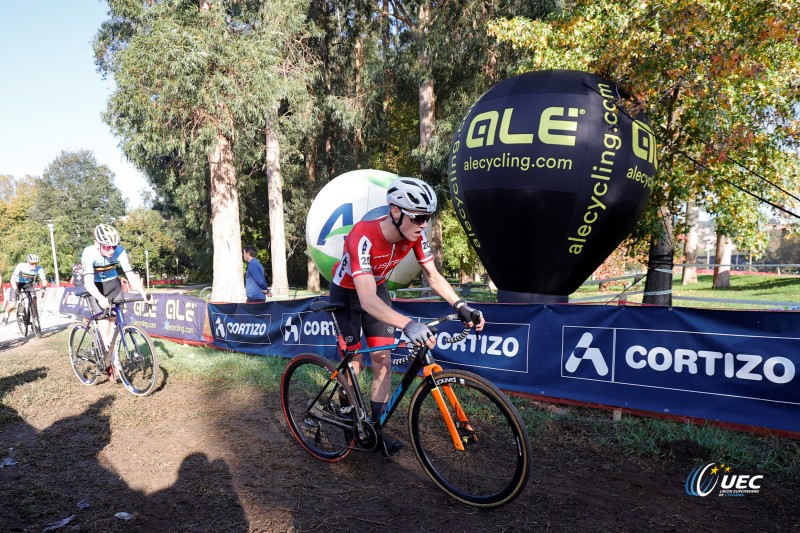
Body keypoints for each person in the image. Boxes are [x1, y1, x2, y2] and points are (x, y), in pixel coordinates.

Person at [330, 177, 485, 455]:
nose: (424, 224)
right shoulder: (362, 236)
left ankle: (373, 430)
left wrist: (461, 306)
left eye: (428, 217)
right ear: (396, 212)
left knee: (383, 361)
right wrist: (409, 324)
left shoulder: (416, 235)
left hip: (375, 288)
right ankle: (347, 417)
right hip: (347, 295)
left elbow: (433, 276)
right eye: (419, 217)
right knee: (352, 364)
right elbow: (365, 300)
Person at [81, 224, 151, 362]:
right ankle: (111, 362)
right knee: (104, 324)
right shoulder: (89, 253)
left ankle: (110, 356)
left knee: (114, 326)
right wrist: (100, 298)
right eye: (107, 246)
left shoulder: (120, 250)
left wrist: (143, 292)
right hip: (96, 287)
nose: (111, 250)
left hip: (113, 284)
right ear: (97, 243)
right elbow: (88, 282)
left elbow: (130, 274)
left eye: (114, 246)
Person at [2, 254, 47, 326]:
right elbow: (12, 279)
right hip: (17, 283)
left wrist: (43, 288)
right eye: (32, 263)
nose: (34, 265)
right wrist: (16, 289)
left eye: (36, 263)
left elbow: (44, 280)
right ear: (28, 262)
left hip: (27, 284)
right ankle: (6, 315)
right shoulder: (21, 266)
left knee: (34, 299)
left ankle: (35, 319)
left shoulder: (39, 268)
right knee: (12, 304)